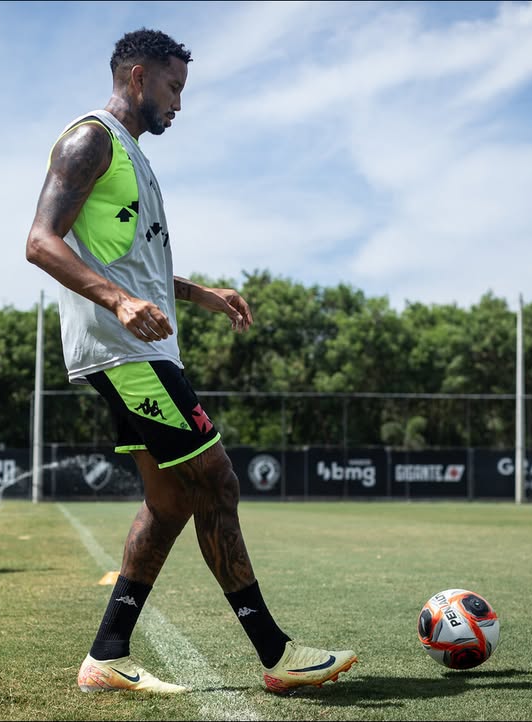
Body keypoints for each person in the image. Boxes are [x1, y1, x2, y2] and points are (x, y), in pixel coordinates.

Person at [25, 27, 356, 694]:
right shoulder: (91, 139)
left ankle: (107, 656)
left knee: (172, 498)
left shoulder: (134, 158)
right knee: (218, 483)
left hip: (139, 349)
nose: (179, 103)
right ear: (138, 76)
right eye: (174, 88)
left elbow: (129, 265)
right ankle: (277, 653)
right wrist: (119, 302)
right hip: (125, 352)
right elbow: (40, 241)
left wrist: (199, 293)